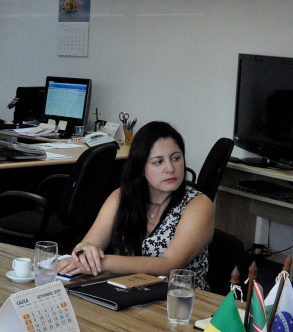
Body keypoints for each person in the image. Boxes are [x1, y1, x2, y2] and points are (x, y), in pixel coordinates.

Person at [58, 121, 213, 289]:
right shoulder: (120, 197)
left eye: (176, 158)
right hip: (126, 293)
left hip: (182, 302)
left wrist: (102, 262)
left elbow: (169, 264)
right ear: (141, 168)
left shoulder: (198, 204)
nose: (170, 168)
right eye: (158, 162)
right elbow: (88, 243)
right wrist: (85, 252)